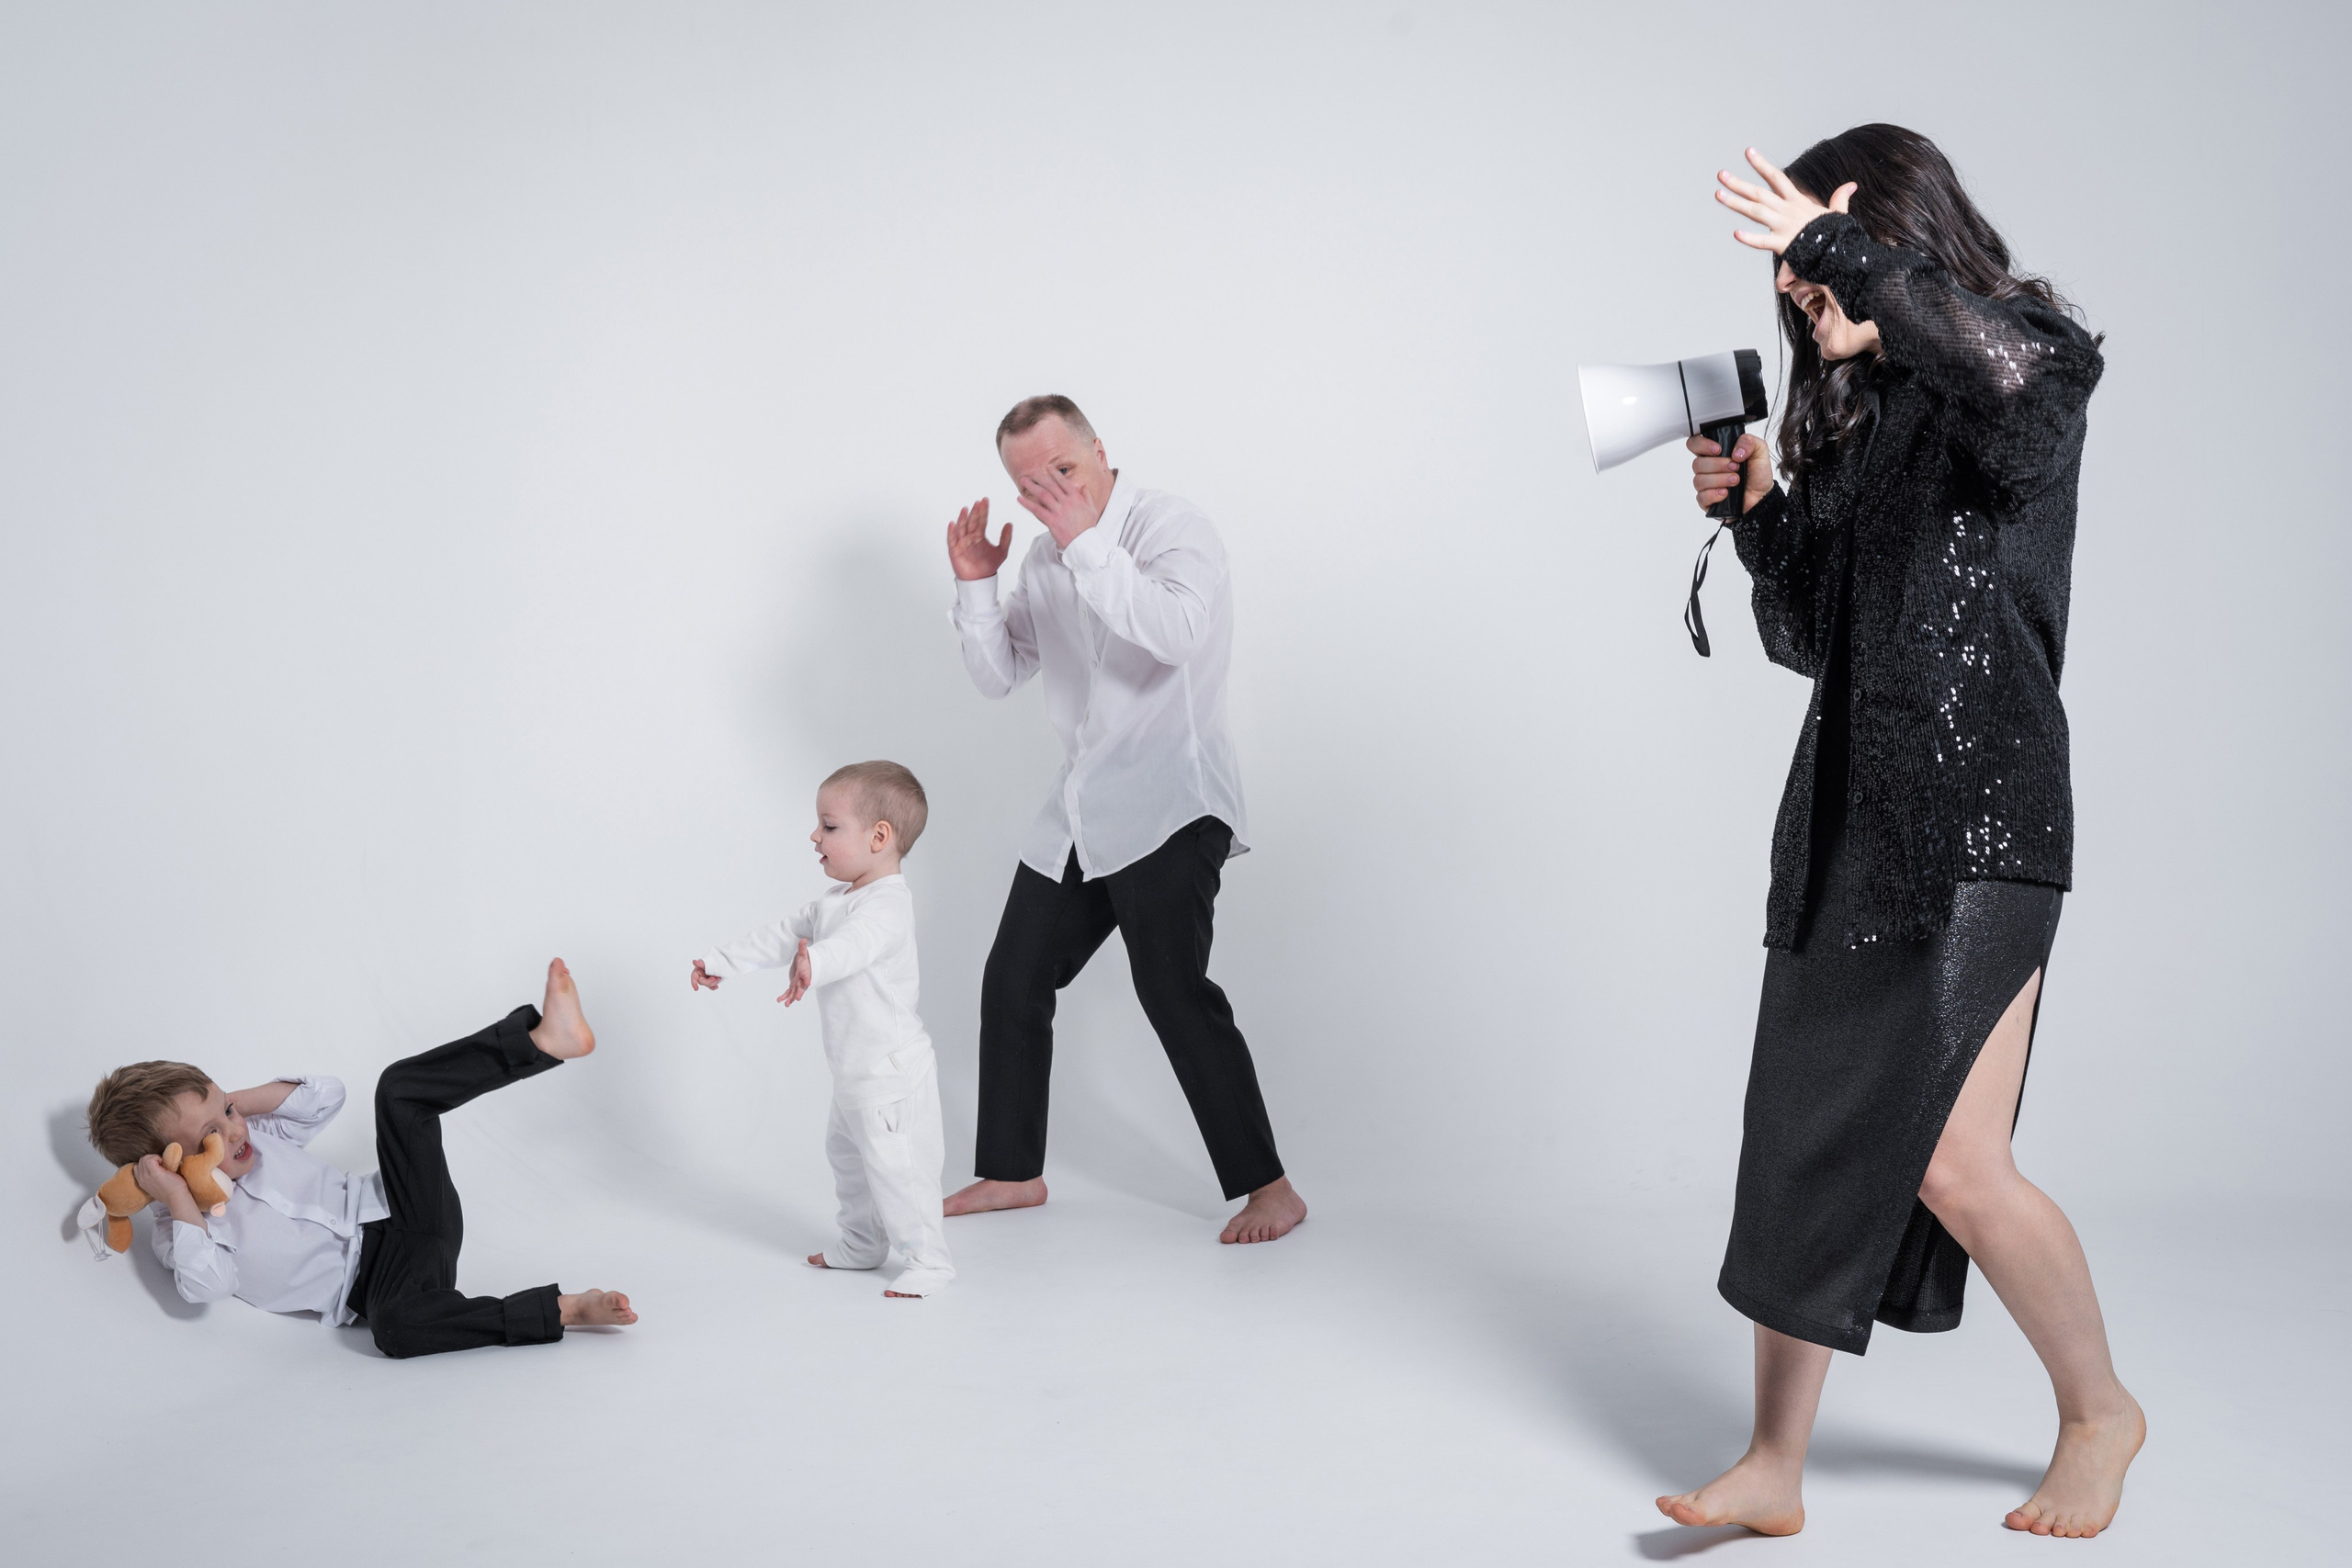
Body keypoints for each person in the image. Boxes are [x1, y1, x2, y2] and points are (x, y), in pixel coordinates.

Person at [1657, 129, 2142, 1540]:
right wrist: (1757, 513)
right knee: (1802, 1137)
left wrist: (1833, 243)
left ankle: (2102, 1408)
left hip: (1984, 812)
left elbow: (2011, 395)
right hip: (1846, 817)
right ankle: (1772, 1465)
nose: (1805, 302)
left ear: (1886, 223)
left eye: (1816, 269)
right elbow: (1815, 635)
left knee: (1956, 1160)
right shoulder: (1864, 418)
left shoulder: (2030, 352)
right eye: (1794, 292)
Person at [942, 394, 1306, 1245]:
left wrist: (1083, 544)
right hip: (1081, 806)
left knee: (1172, 989)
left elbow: (1174, 631)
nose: (1050, 493)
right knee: (1013, 977)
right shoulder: (1041, 559)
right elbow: (1000, 675)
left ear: (1102, 452)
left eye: (1063, 471)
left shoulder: (1175, 527)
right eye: (1030, 485)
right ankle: (1011, 1170)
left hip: (1172, 798)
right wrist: (976, 585)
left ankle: (1271, 1188)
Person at [83, 958, 636, 1359]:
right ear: (169, 1164)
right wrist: (180, 1198)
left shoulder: (255, 1134)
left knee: (396, 1089)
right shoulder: (187, 1233)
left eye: (226, 1111)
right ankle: (563, 1310)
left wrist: (231, 1105)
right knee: (394, 1331)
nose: (232, 1132)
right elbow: (206, 1287)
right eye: (210, 1135)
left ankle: (541, 1042)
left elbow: (325, 1095)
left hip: (406, 1205)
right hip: (386, 1284)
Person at [692, 761, 953, 1297]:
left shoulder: (887, 906)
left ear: (880, 837)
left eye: (829, 827)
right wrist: (721, 960)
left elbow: (857, 945)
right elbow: (785, 933)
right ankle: (861, 1244)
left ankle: (929, 1260)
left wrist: (818, 963)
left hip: (891, 1075)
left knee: (899, 1169)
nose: (815, 836)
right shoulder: (836, 901)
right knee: (849, 1160)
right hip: (855, 1073)